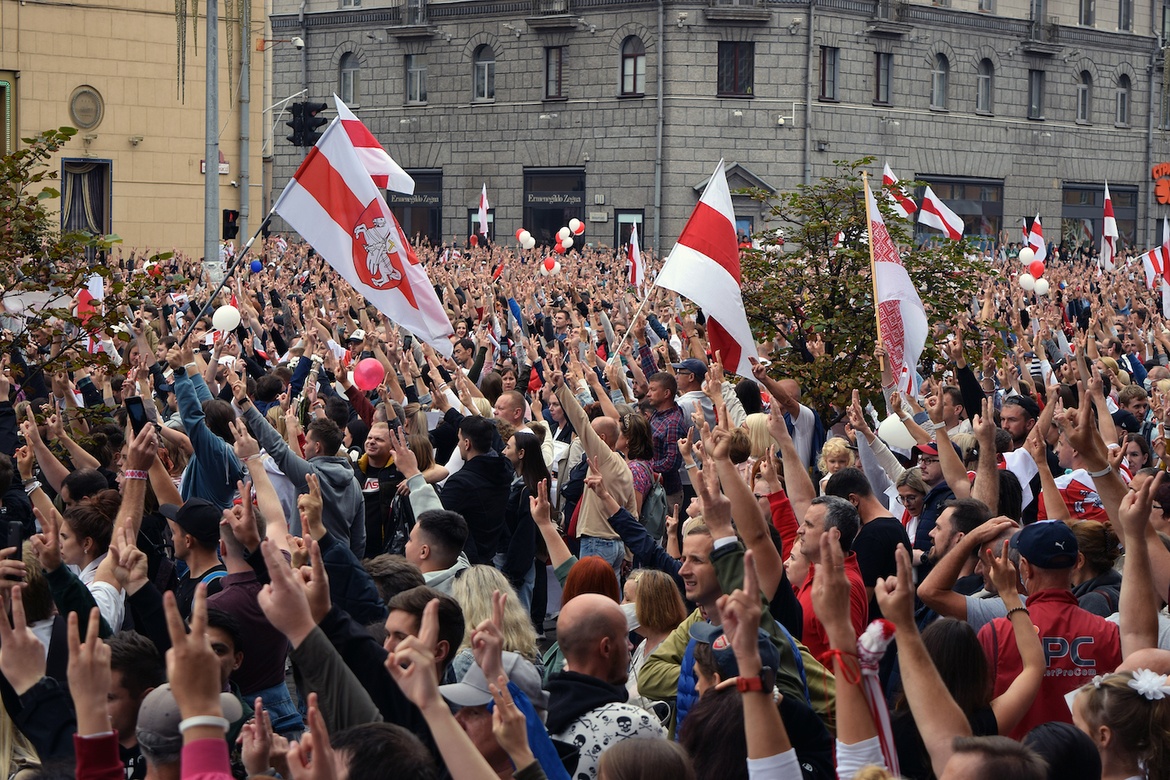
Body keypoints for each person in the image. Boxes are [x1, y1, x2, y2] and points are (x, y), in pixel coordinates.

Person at [978, 520, 1122, 739]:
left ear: (1024, 567)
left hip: (1018, 765)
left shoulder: (995, 633)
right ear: (1076, 563)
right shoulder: (1109, 633)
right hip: (1088, 764)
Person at [545, 593, 666, 779]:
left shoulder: (540, 716)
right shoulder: (637, 725)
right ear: (606, 647)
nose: (631, 645)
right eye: (625, 636)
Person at [440, 416, 514, 566]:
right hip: (491, 555)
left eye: (460, 439)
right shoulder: (504, 468)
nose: (458, 444)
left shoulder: (460, 483)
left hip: (467, 563)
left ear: (467, 443)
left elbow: (437, 522)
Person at [160, 498, 227, 618]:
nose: (173, 539)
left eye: (174, 533)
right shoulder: (189, 573)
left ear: (188, 541)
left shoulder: (214, 588)